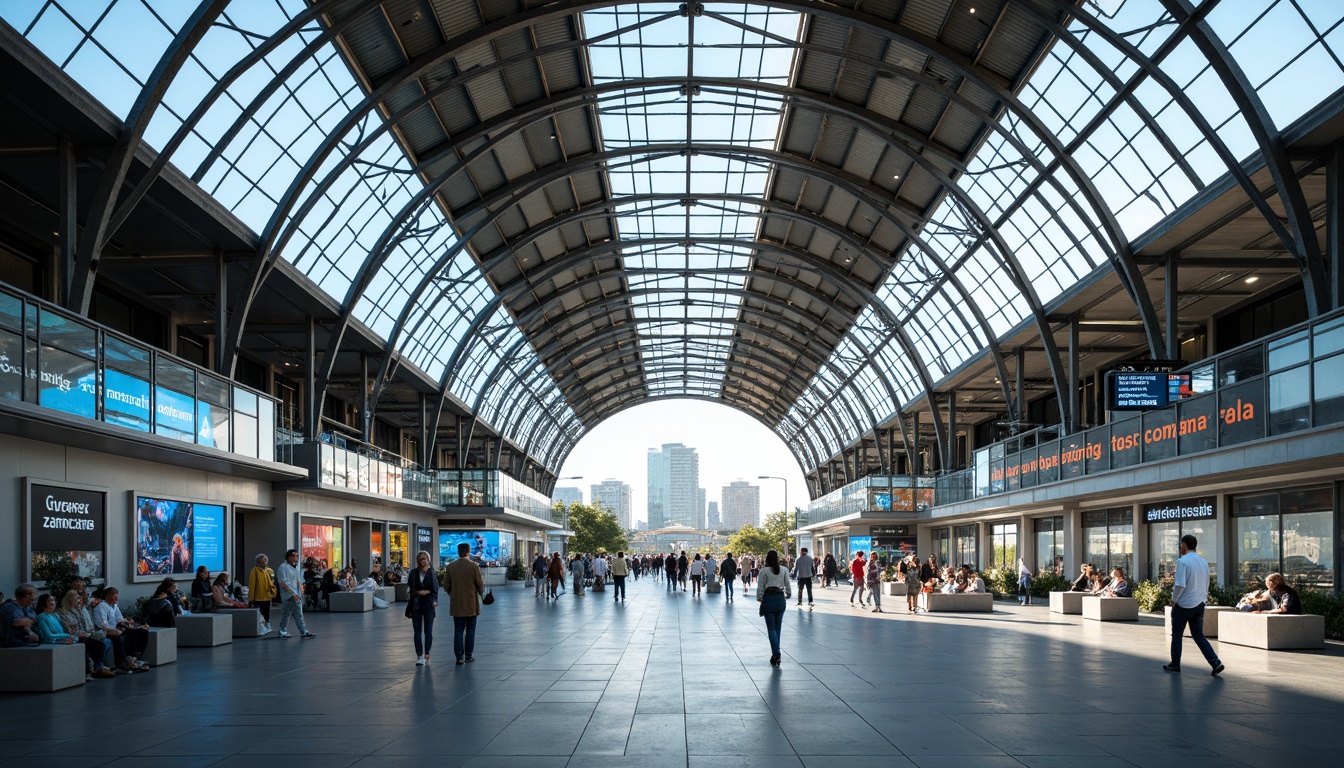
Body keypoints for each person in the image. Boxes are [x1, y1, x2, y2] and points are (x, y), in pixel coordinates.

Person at [1165, 534, 1223, 676]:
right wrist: (1204, 600)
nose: (1180, 548)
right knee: (1198, 635)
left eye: (1180, 545)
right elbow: (1207, 582)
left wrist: (1174, 600)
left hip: (1184, 604)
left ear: (1184, 546)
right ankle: (1215, 662)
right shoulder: (1203, 562)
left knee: (1177, 634)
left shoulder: (1182, 561)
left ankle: (1175, 663)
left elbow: (1180, 584)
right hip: (1199, 604)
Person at [56, 590, 116, 679]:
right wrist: (82, 633)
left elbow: (83, 624)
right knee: (98, 644)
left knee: (106, 641)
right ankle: (98, 668)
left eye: (77, 598)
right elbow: (70, 628)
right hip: (74, 636)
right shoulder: (63, 612)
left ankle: (99, 667)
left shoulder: (77, 610)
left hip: (83, 633)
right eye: (74, 598)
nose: (77, 600)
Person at [443, 542, 484, 664]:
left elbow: (446, 585)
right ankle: (468, 655)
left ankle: (459, 657)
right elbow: (480, 584)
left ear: (458, 551)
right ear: (468, 552)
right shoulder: (474, 566)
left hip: (457, 604)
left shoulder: (450, 566)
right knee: (471, 629)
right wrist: (481, 594)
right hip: (471, 604)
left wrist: (453, 593)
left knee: (458, 630)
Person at [91, 588, 150, 672]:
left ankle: (134, 656)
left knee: (141, 632)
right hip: (105, 630)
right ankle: (122, 663)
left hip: (115, 627)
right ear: (108, 596)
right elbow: (102, 624)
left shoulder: (114, 606)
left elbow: (119, 619)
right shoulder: (101, 607)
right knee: (119, 637)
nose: (117, 599)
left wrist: (127, 622)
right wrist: (114, 630)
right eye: (115, 597)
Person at [756, 549, 791, 666]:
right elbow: (788, 585)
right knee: (778, 628)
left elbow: (760, 587)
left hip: (769, 599)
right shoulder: (784, 570)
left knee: (771, 629)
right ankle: (775, 655)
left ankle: (776, 653)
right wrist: (788, 594)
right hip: (780, 599)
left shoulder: (763, 571)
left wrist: (760, 598)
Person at [407, 550, 438, 665]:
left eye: (425, 557)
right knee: (417, 630)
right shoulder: (413, 573)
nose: (423, 559)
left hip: (429, 604)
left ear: (428, 560)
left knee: (428, 630)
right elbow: (411, 588)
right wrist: (421, 592)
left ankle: (427, 652)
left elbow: (435, 589)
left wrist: (434, 600)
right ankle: (419, 654)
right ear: (417, 560)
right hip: (416, 603)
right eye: (420, 557)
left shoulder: (432, 573)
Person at [276, 549, 316, 639]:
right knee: (297, 613)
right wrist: (292, 593)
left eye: (297, 556)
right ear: (289, 557)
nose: (296, 557)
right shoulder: (283, 567)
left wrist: (300, 590)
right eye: (294, 556)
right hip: (289, 594)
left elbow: (298, 580)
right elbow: (282, 582)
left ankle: (283, 630)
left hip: (295, 593)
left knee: (287, 612)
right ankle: (302, 631)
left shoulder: (295, 568)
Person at [248, 553, 277, 634]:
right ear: (258, 562)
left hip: (267, 596)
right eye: (262, 559)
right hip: (258, 597)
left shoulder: (270, 570)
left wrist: (273, 592)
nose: (265, 561)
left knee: (267, 612)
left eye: (265, 559)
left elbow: (272, 582)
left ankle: (267, 625)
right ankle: (260, 627)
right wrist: (251, 599)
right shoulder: (254, 571)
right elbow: (252, 585)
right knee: (259, 613)